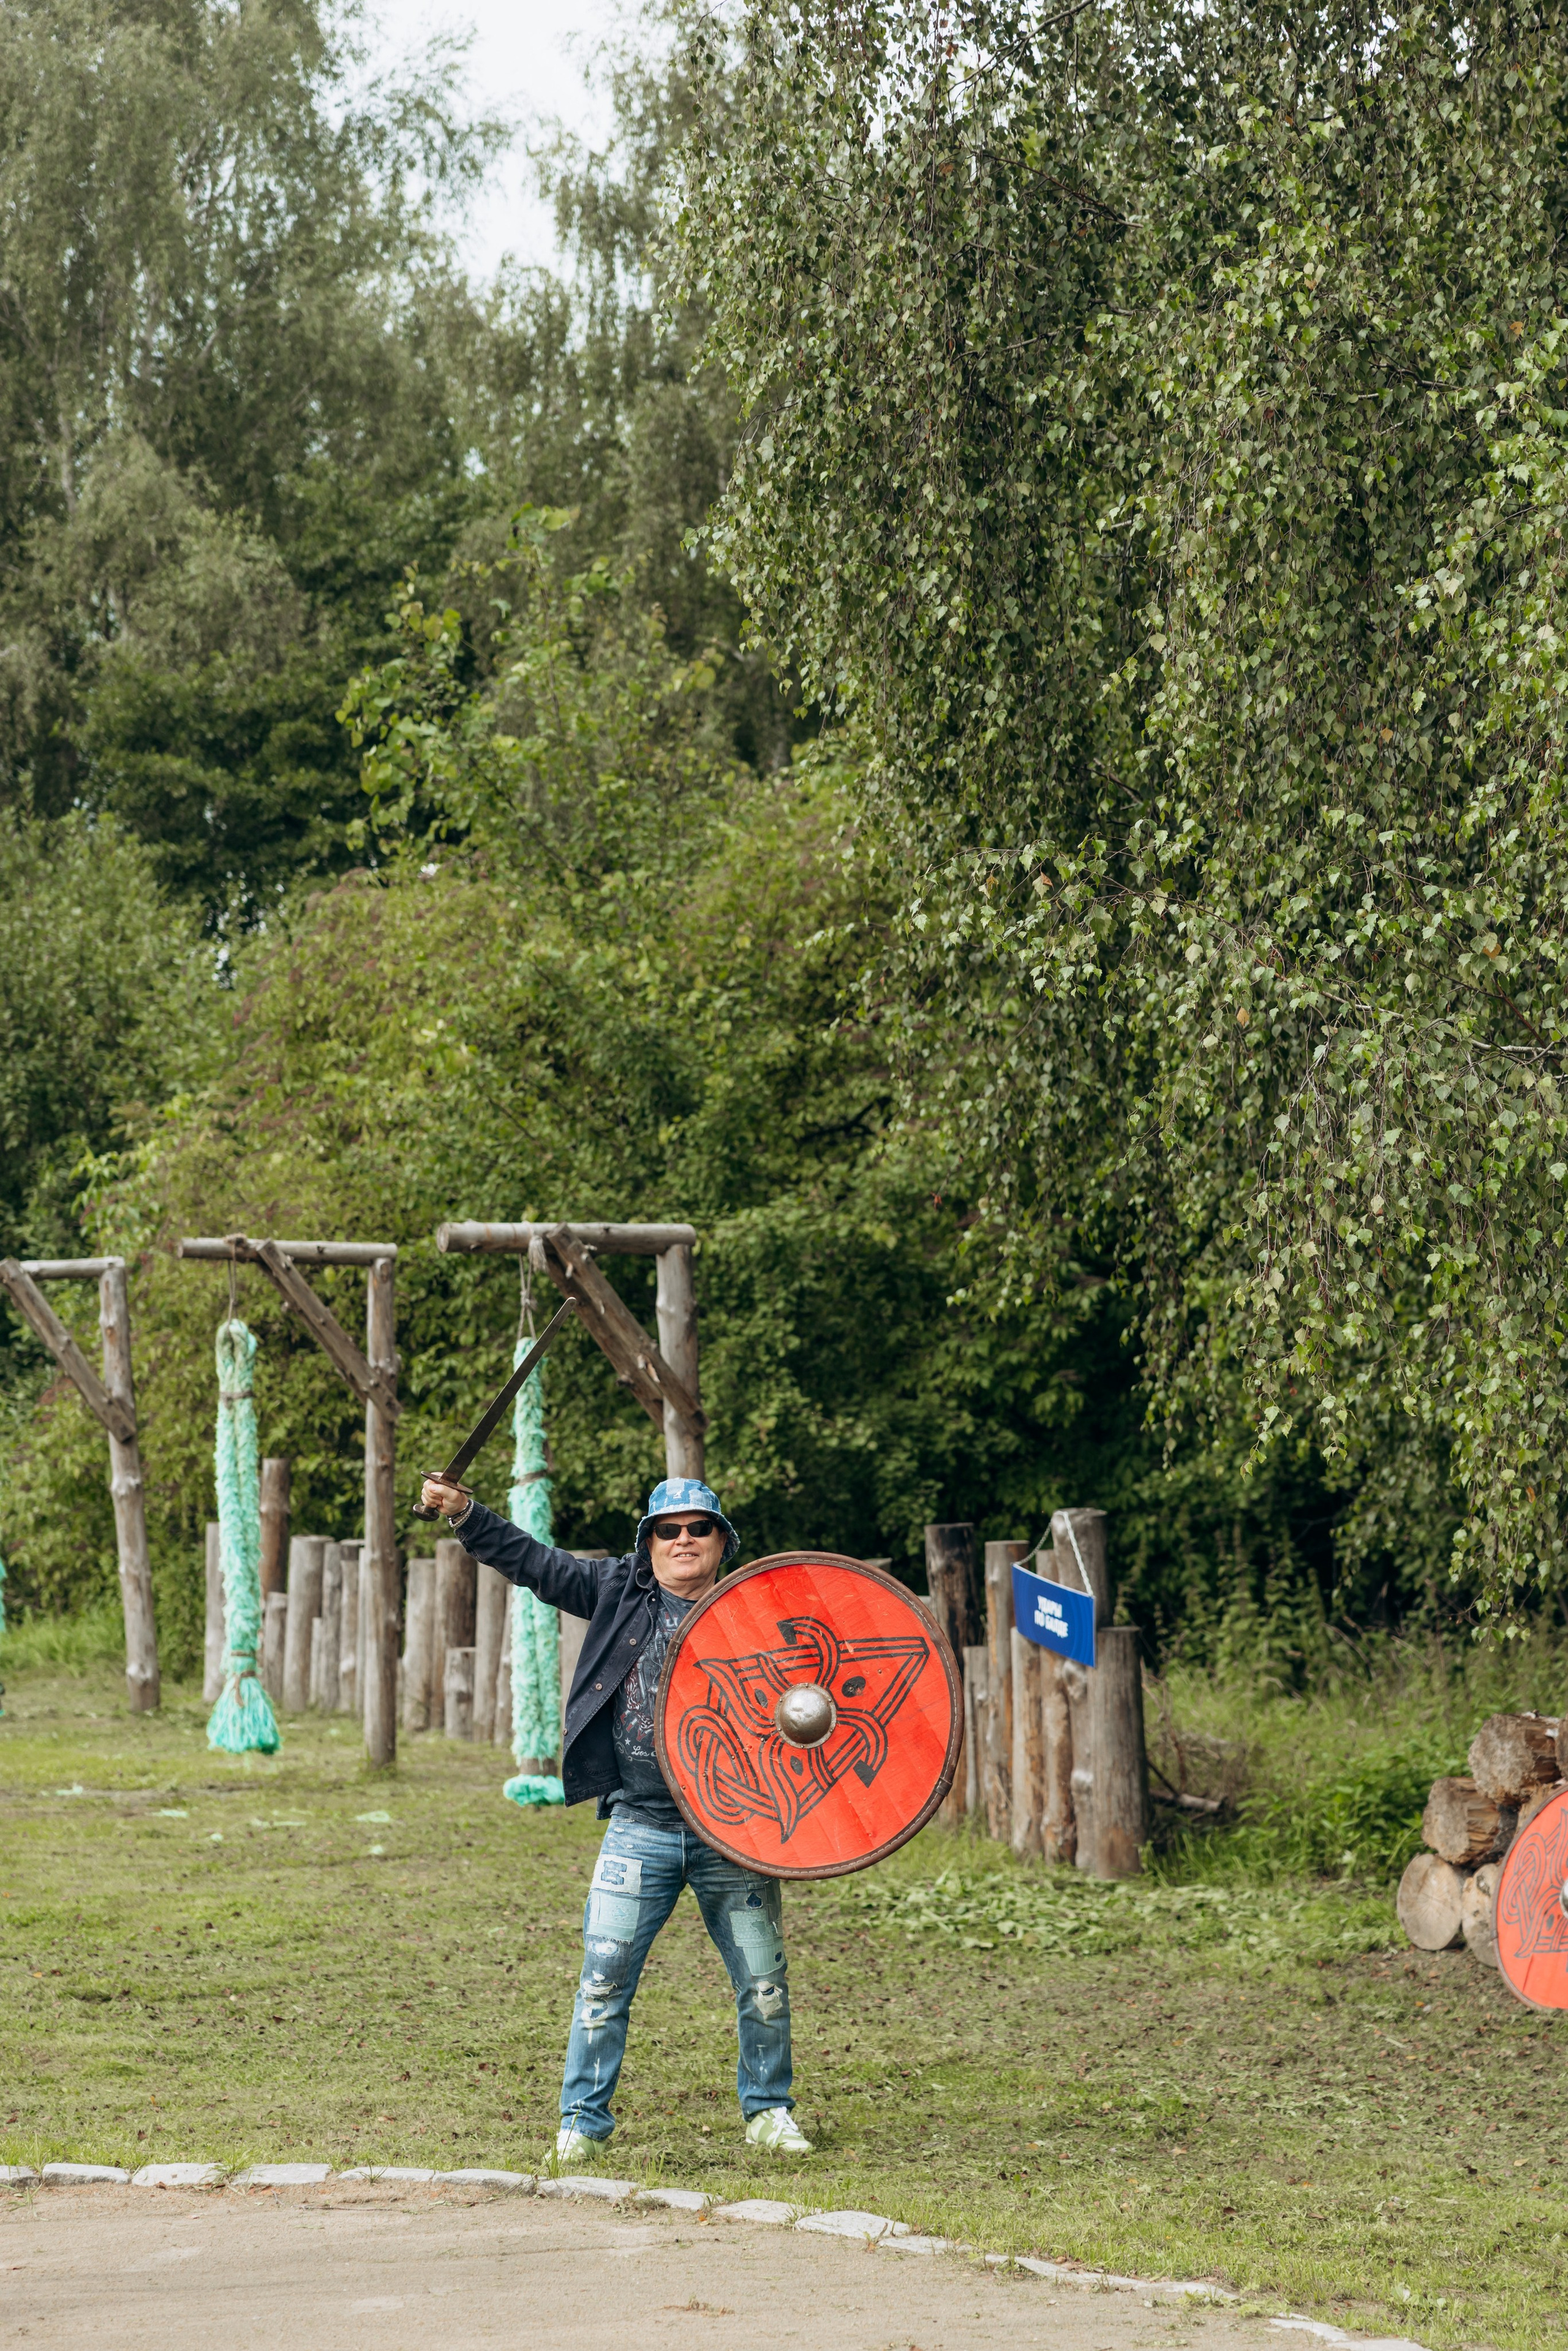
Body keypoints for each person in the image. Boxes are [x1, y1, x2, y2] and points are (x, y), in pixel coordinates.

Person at [418, 1468, 812, 2163]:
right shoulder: (614, 1591)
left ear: (722, 1540)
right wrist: (466, 1513)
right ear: (649, 1540)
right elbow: (535, 1563)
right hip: (641, 1825)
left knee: (763, 1982)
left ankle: (769, 2111)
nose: (683, 1539)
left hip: (734, 1832)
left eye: (698, 1528)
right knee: (602, 1978)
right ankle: (582, 2122)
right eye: (669, 1529)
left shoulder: (757, 1610)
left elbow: (816, 1697)